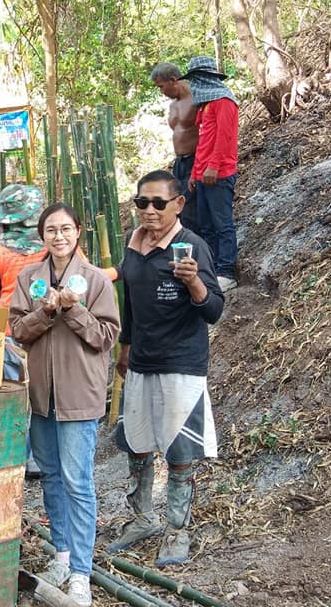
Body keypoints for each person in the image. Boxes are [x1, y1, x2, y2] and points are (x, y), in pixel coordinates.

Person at [108, 170, 223, 567]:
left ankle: (177, 529)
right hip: (141, 359)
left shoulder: (193, 246)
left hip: (180, 362)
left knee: (179, 449)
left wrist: (195, 284)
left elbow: (214, 310)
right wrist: (125, 346)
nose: (150, 210)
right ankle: (142, 518)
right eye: (142, 202)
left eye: (159, 203)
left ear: (179, 204)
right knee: (137, 444)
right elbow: (130, 302)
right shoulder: (132, 243)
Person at [10, 203, 120, 606]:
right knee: (52, 478)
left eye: (66, 229)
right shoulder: (29, 279)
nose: (59, 236)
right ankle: (61, 555)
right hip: (42, 397)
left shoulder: (95, 280)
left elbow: (106, 336)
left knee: (78, 482)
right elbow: (19, 331)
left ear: (78, 232)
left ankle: (81, 573)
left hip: (80, 396)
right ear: (42, 237)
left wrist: (74, 310)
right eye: (51, 230)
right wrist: (46, 311)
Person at [0, 184, 47, 476]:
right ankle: (39, 457)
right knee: (42, 395)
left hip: (9, 330)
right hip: (46, 328)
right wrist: (119, 272)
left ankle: (19, 456)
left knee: (14, 396)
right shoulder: (53, 243)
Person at [181, 55, 239, 291]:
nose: (193, 86)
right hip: (203, 173)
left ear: (204, 78)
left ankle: (227, 271)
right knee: (205, 224)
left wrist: (214, 166)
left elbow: (225, 138)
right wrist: (195, 172)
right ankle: (213, 268)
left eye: (195, 80)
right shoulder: (204, 106)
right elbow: (203, 142)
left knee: (221, 223)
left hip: (220, 173)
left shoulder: (224, 101)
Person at [151, 62, 199, 233]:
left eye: (161, 87)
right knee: (179, 207)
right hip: (180, 162)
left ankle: (203, 253)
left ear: (173, 80)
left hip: (196, 159)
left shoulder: (197, 97)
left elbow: (207, 131)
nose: (161, 92)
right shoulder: (173, 105)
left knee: (192, 208)